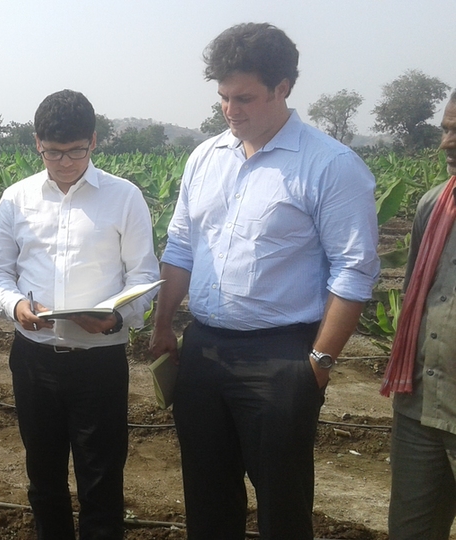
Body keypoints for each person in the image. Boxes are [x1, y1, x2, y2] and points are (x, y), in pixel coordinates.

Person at [147, 23, 380, 540]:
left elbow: (354, 272)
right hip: (203, 350)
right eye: (224, 97)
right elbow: (182, 246)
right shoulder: (205, 158)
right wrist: (164, 322)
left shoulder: (331, 165)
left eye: (245, 97)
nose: (231, 110)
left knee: (283, 504)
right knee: (207, 498)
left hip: (282, 356)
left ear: (284, 88)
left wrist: (317, 363)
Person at [0, 89, 161, 539]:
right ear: (37, 143)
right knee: (44, 481)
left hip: (99, 362)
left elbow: (144, 276)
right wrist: (17, 305)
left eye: (76, 151)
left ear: (94, 142)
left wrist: (115, 318)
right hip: (34, 360)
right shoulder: (17, 198)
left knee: (101, 482)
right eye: (54, 152)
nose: (65, 162)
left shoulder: (124, 198)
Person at [383, 90, 456, 539]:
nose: (447, 144)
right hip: (422, 408)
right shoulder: (434, 205)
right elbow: (416, 292)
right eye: (447, 130)